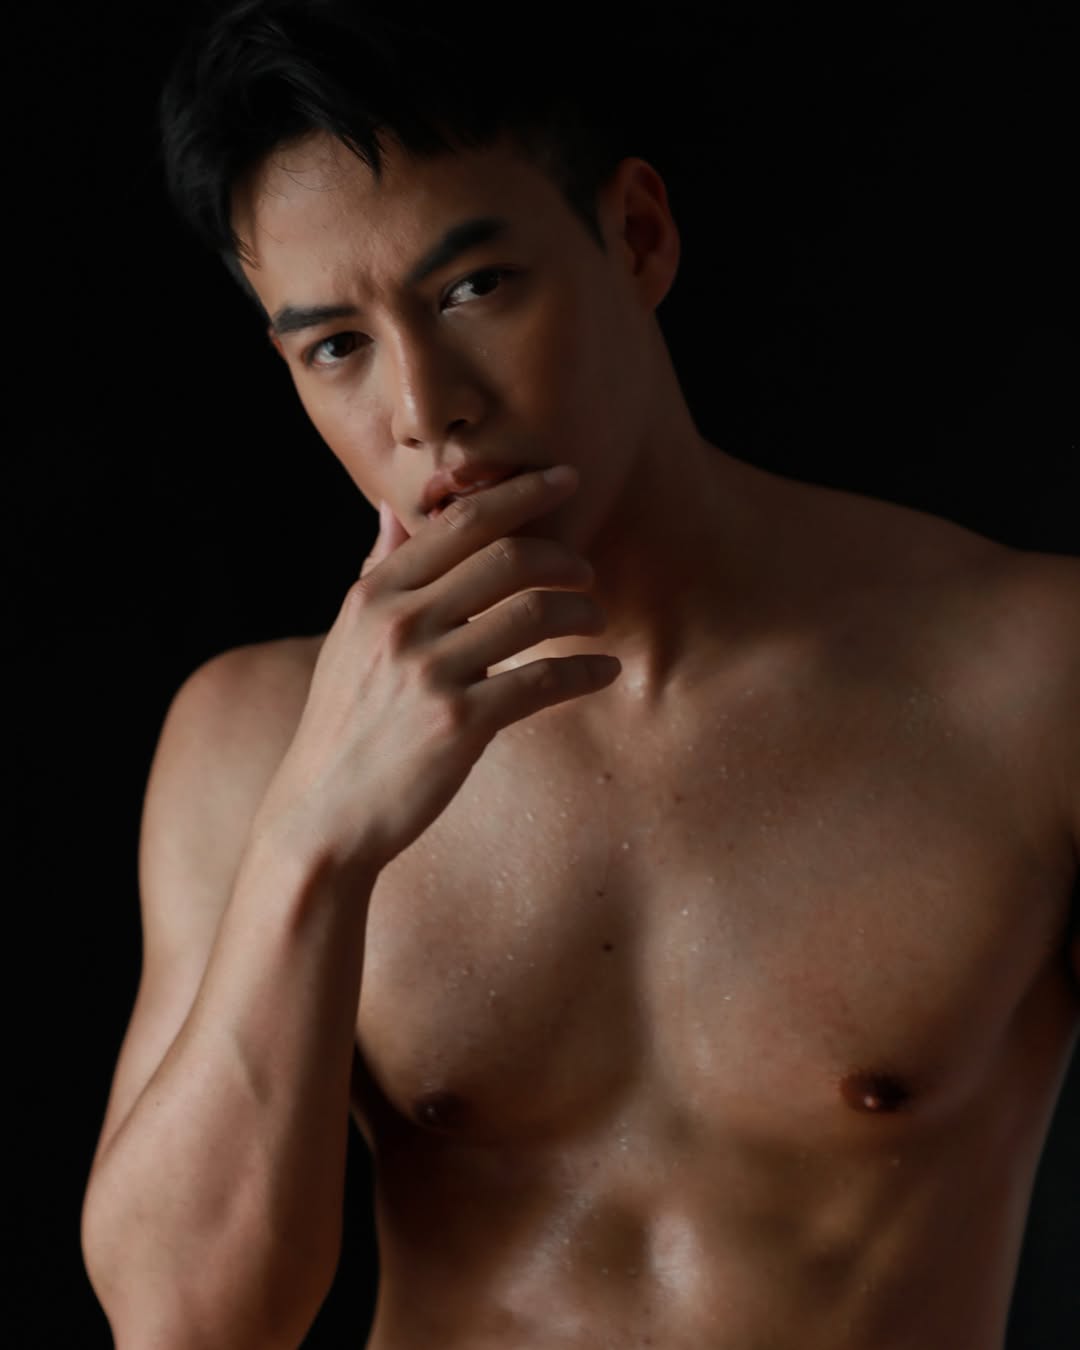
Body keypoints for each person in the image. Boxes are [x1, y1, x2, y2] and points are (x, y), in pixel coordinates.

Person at [81, 2, 1079, 1346]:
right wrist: (313, 838)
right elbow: (185, 1323)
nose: (423, 406)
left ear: (639, 236)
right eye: (338, 346)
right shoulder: (250, 739)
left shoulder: (1034, 679)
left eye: (473, 289)